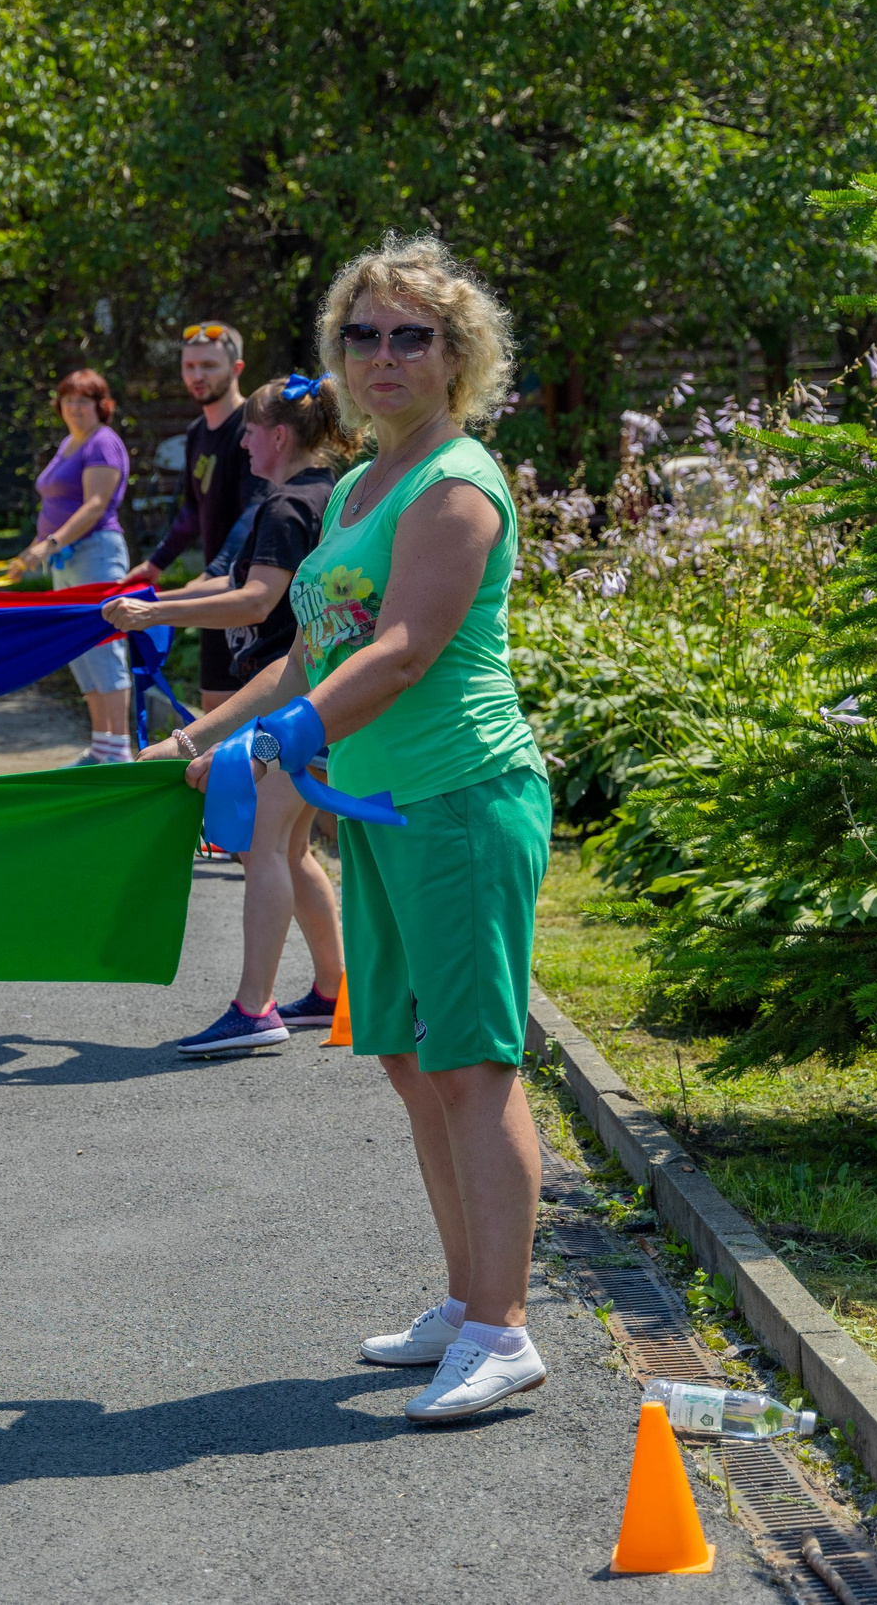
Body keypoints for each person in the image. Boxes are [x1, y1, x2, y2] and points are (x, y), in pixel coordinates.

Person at [149, 235, 552, 1423]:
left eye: (410, 336)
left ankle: (504, 1328)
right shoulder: (366, 485)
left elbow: (404, 649)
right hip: (375, 806)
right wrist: (199, 735)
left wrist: (282, 742)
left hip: (459, 798)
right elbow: (308, 649)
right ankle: (464, 1297)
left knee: (473, 1063)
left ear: (455, 354)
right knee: (406, 1056)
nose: (384, 356)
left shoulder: (455, 482)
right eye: (362, 335)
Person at [105, 374, 347, 1055]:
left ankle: (255, 1007)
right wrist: (159, 600)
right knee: (292, 849)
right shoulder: (327, 495)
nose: (238, 441)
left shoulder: (285, 506)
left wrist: (157, 612)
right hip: (312, 701)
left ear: (276, 436)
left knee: (261, 846)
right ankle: (331, 991)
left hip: (286, 701)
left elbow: (254, 601)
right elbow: (236, 584)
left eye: (248, 431)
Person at [126, 321, 259, 711]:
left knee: (259, 720)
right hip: (215, 590)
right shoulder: (197, 431)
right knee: (215, 705)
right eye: (189, 367)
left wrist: (217, 570)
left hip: (256, 590)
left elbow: (256, 510)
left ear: (236, 369)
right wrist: (155, 565)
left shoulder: (254, 429)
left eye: (208, 366)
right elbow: (191, 509)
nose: (196, 376)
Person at [4, 369, 134, 764]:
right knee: (81, 649)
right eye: (68, 400)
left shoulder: (102, 443)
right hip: (67, 559)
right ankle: (101, 745)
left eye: (84, 401)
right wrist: (32, 552)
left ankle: (120, 749)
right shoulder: (69, 443)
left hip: (95, 553)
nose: (75, 408)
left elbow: (94, 505)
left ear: (101, 406)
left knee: (104, 645)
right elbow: (55, 509)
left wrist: (51, 544)